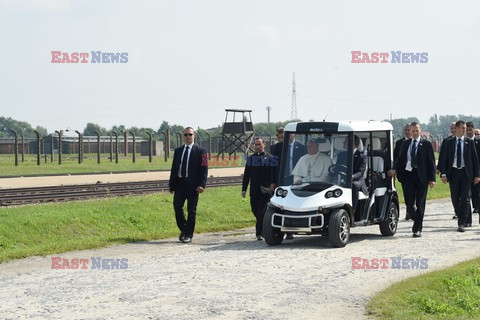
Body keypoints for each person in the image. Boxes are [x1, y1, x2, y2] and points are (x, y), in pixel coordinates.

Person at [388, 122, 436, 238]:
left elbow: (431, 162)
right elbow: (400, 159)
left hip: (422, 178)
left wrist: (432, 179)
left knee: (420, 203)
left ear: (420, 131)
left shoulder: (426, 144)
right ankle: (417, 218)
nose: (414, 133)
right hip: (408, 176)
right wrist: (394, 169)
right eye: (413, 131)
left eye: (416, 131)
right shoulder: (405, 144)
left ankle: (417, 229)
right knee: (409, 204)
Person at [169, 127, 208, 243]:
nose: (188, 137)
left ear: (194, 135)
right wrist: (172, 185)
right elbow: (174, 168)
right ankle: (184, 229)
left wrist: (202, 185)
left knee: (191, 210)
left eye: (190, 135)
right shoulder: (178, 150)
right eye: (186, 135)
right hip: (180, 184)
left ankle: (188, 234)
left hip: (193, 185)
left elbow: (204, 169)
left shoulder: (201, 151)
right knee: (177, 207)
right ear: (183, 136)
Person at [440, 120, 480, 232]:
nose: (465, 130)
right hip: (453, 173)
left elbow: (475, 160)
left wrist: (477, 175)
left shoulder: (469, 142)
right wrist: (443, 173)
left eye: (466, 128)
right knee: (455, 198)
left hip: (466, 173)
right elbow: (444, 159)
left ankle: (461, 222)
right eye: (462, 128)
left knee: (465, 198)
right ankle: (462, 216)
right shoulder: (449, 143)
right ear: (456, 129)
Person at [242, 138, 273, 241]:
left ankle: (259, 232)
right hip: (254, 190)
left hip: (266, 191)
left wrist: (273, 185)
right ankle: (262, 229)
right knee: (255, 210)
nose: (257, 146)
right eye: (255, 145)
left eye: (259, 144)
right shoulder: (251, 159)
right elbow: (246, 175)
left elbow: (273, 175)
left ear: (264, 144)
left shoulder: (270, 158)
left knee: (262, 212)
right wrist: (244, 189)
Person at [336, 135, 367, 215]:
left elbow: (360, 172)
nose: (343, 143)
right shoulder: (341, 155)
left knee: (353, 185)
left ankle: (352, 211)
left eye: (345, 141)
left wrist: (352, 176)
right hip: (342, 178)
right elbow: (337, 168)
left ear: (353, 144)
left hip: (357, 180)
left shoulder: (361, 157)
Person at [437, 121, 457, 219]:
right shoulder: (446, 141)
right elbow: (442, 157)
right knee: (454, 194)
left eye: (455, 128)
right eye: (451, 128)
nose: (453, 130)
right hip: (451, 171)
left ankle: (463, 213)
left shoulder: (466, 141)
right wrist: (439, 168)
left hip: (464, 172)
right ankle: (457, 210)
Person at [393, 123, 412, 220]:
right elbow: (396, 157)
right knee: (407, 193)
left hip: (415, 172)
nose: (407, 132)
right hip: (404, 173)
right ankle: (409, 210)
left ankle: (413, 209)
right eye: (406, 130)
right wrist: (395, 170)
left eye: (409, 130)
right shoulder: (400, 143)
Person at [466, 122, 480, 224]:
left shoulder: (478, 142)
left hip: (477, 175)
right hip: (466, 175)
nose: (469, 132)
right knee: (465, 198)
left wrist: (478, 175)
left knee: (477, 197)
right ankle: (467, 220)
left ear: (474, 130)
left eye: (470, 130)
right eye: (467, 130)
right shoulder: (463, 142)